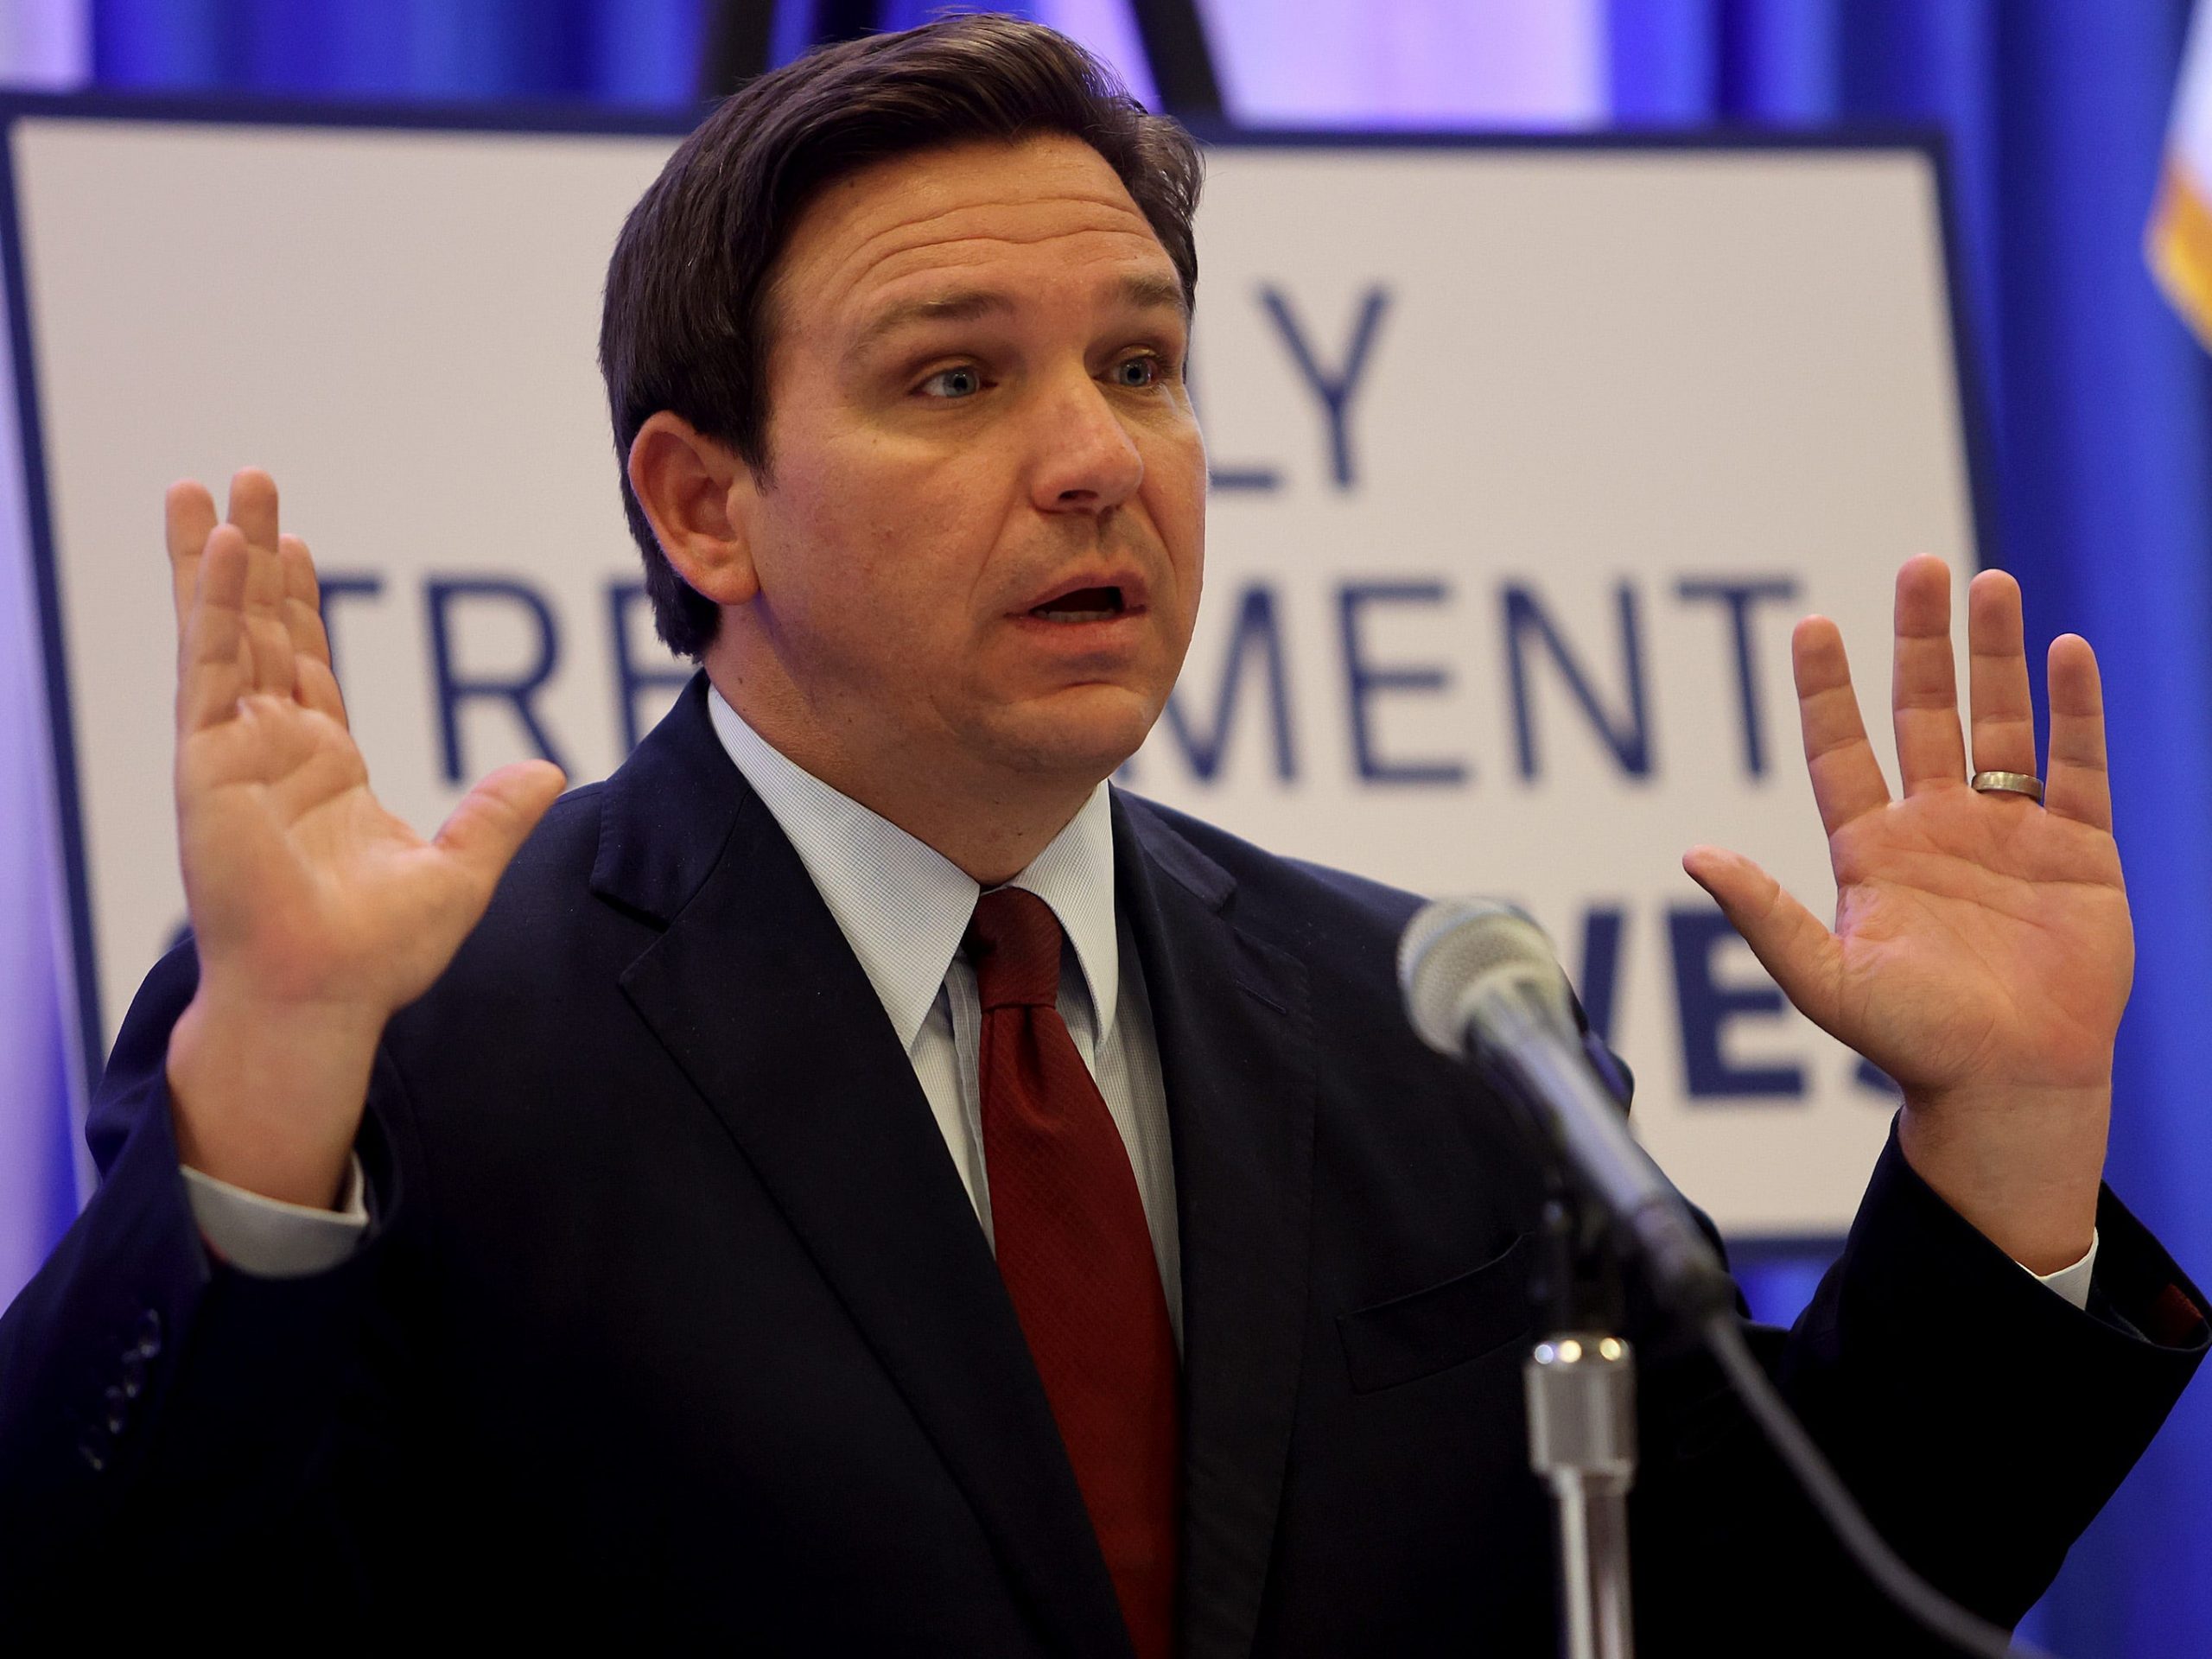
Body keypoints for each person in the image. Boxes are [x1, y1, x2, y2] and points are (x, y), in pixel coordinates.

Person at [0, 16, 2201, 1655]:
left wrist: (2000, 1145)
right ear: (702, 503)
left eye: (1141, 366)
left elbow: (1775, 1630)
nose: (1094, 460)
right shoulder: (404, 1035)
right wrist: (268, 1098)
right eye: (954, 379)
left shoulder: (1428, 1026)